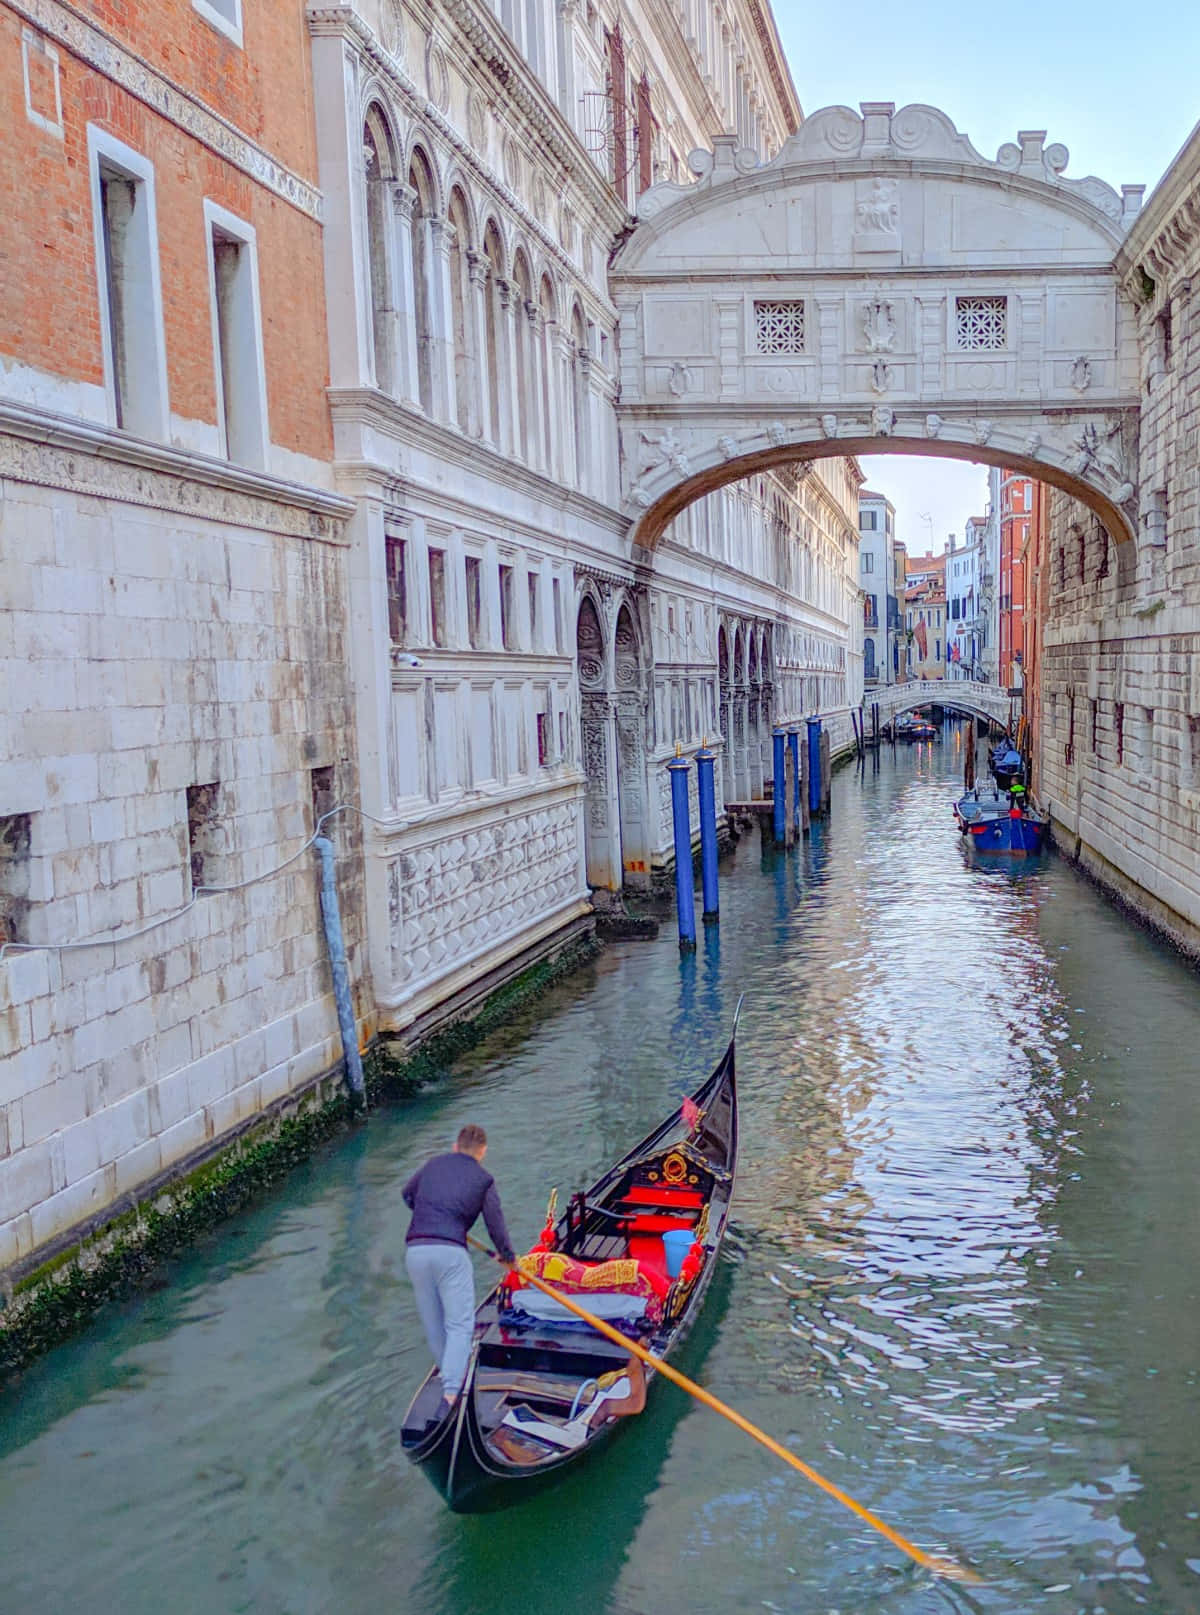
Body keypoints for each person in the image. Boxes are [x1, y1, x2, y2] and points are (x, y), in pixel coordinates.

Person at [403, 1124, 516, 1415]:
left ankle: (446, 1377)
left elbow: (408, 1195)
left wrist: (432, 1214)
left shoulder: (432, 1164)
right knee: (460, 1324)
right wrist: (508, 1258)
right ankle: (452, 1394)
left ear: (456, 1146)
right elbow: (496, 1224)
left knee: (433, 1321)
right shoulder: (484, 1179)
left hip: (415, 1250)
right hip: (450, 1253)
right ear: (483, 1152)